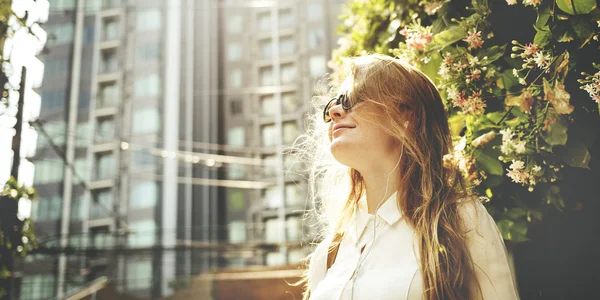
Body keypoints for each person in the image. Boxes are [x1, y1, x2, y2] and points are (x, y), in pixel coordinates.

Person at [298, 54, 520, 300]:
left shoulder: (461, 220)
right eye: (333, 103)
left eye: (351, 99)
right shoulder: (328, 253)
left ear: (406, 115)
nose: (335, 111)